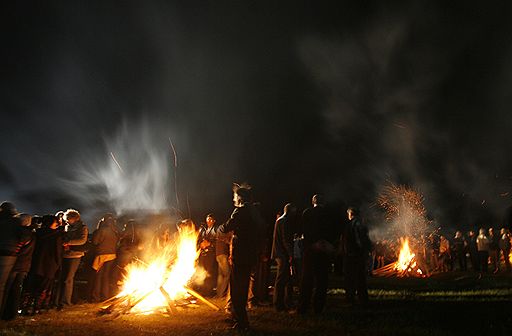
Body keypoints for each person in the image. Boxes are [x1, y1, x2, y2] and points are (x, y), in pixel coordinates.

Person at [216, 183, 265, 332]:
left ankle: (241, 322)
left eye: (235, 196)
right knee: (241, 288)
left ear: (240, 198)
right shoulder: (255, 211)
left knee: (238, 289)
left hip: (241, 256)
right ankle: (237, 317)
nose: (233, 199)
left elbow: (227, 227)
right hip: (249, 255)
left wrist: (219, 229)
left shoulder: (240, 211)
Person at [297, 194, 335, 315]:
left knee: (306, 279)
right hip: (324, 250)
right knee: (322, 280)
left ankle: (303, 307)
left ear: (313, 202)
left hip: (310, 249)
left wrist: (312, 243)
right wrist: (326, 243)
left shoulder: (307, 212)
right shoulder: (329, 214)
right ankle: (318, 307)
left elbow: (303, 230)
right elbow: (331, 230)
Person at [24, 215, 63, 315]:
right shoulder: (56, 236)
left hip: (35, 263)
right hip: (49, 265)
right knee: (43, 287)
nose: (57, 225)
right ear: (50, 223)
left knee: (31, 286)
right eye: (55, 223)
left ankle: (26, 307)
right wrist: (59, 264)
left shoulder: (36, 233)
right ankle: (38, 308)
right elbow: (57, 252)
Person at [339, 207, 372, 306]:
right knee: (360, 277)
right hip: (356, 255)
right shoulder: (360, 224)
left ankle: (351, 298)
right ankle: (362, 299)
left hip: (353, 255)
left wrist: (360, 250)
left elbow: (359, 240)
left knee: (351, 278)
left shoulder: (354, 224)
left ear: (350, 214)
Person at [56, 209, 88, 308]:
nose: (67, 221)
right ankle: (58, 301)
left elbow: (82, 240)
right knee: (62, 279)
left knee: (68, 279)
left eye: (68, 219)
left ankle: (65, 302)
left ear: (74, 218)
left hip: (75, 255)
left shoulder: (82, 228)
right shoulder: (67, 227)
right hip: (65, 254)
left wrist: (68, 242)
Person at [271, 203, 296, 311]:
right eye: (294, 211)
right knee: (281, 279)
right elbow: (286, 240)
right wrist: (291, 254)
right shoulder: (284, 221)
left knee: (283, 278)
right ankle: (278, 304)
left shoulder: (280, 220)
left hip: (279, 252)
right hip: (282, 254)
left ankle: (282, 302)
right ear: (290, 211)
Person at [90, 214, 119, 302]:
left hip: (101, 255)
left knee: (99, 276)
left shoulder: (102, 230)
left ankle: (96, 297)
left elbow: (95, 242)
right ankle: (105, 297)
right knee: (106, 277)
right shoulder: (115, 231)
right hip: (112, 255)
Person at [197, 214, 218, 297]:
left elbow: (218, 241)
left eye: (210, 219)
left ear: (214, 221)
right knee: (203, 272)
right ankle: (203, 290)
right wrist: (201, 245)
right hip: (203, 254)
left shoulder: (215, 229)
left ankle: (208, 291)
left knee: (209, 273)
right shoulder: (204, 230)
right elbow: (200, 240)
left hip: (210, 254)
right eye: (207, 219)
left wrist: (209, 244)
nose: (208, 221)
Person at [215, 215, 232, 300]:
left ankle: (219, 293)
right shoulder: (224, 229)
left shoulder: (219, 229)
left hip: (218, 254)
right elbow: (226, 240)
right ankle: (221, 294)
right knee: (227, 274)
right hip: (223, 254)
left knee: (221, 275)